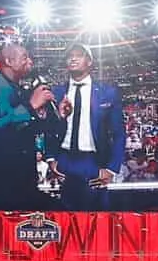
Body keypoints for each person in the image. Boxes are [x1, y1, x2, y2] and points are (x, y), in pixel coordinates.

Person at [0, 33, 48, 208]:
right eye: (24, 57)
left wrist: (49, 116)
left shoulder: (23, 88)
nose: (30, 62)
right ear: (9, 61)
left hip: (25, 180)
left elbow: (28, 130)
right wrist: (30, 107)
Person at [48, 46, 124, 210]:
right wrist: (51, 158)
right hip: (65, 158)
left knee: (97, 214)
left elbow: (119, 133)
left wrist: (112, 169)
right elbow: (49, 128)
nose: (73, 59)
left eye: (78, 56)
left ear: (89, 61)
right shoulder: (57, 92)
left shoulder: (107, 93)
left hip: (94, 160)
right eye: (70, 56)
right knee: (66, 215)